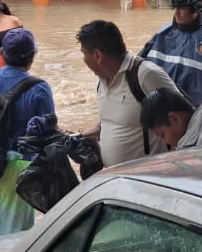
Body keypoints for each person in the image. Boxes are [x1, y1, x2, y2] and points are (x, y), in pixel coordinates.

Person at [0, 28, 55, 238]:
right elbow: (48, 131)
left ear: (3, 53)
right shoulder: (39, 88)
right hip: (19, 167)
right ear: (32, 56)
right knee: (14, 240)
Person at [77, 20, 179, 167]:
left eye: (84, 53)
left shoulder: (145, 75)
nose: (83, 59)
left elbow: (184, 118)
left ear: (97, 55)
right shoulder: (102, 81)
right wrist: (79, 136)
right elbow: (110, 123)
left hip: (148, 179)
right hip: (116, 180)